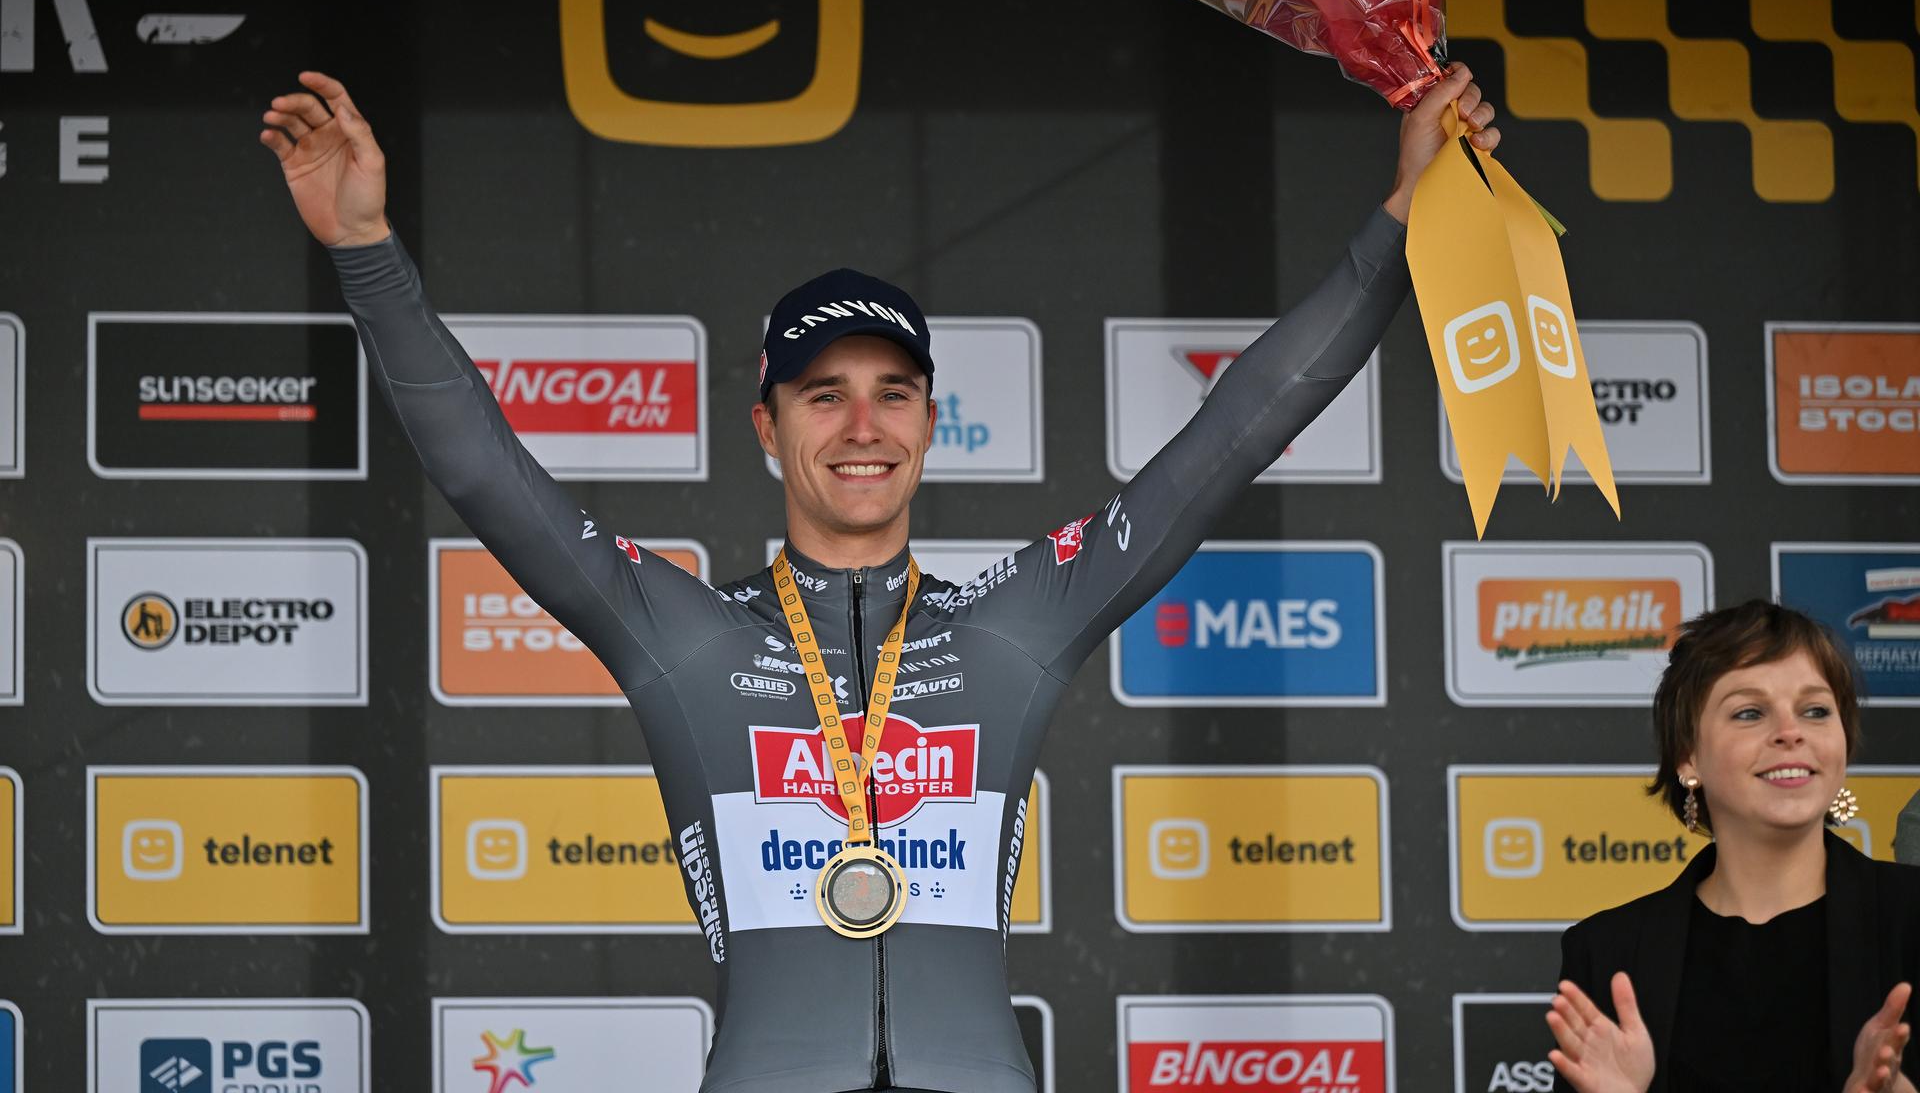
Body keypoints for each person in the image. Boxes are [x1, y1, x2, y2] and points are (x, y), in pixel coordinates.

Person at [259, 64, 1497, 1093]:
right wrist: (366, 250)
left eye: (892, 391)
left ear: (930, 419)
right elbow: (485, 472)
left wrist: (1400, 221)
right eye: (824, 393)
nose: (862, 423)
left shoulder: (1015, 620)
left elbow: (1233, 437)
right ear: (765, 424)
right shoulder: (679, 630)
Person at [1545, 600, 1920, 1093]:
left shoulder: (1910, 918)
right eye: (1749, 713)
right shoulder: (1607, 952)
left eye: (1815, 710)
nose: (1791, 733)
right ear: (1688, 758)